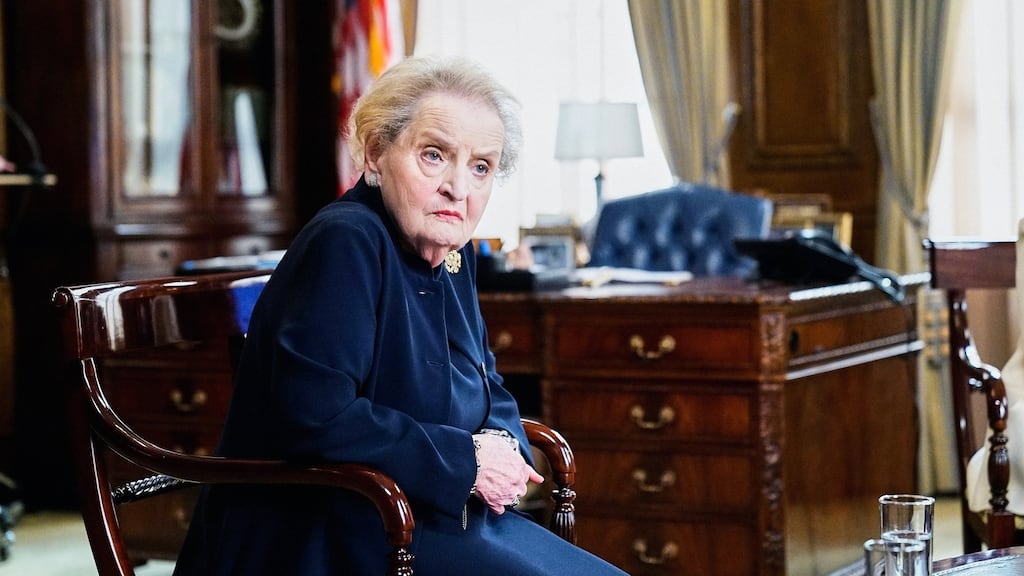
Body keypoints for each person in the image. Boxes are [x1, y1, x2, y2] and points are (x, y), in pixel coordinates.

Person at [172, 55, 628, 575]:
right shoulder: (345, 241)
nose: (459, 187)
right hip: (331, 529)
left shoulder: (453, 252)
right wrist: (467, 462)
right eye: (434, 156)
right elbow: (316, 417)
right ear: (375, 153)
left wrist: (501, 443)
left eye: (481, 166)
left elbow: (486, 380)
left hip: (424, 515)